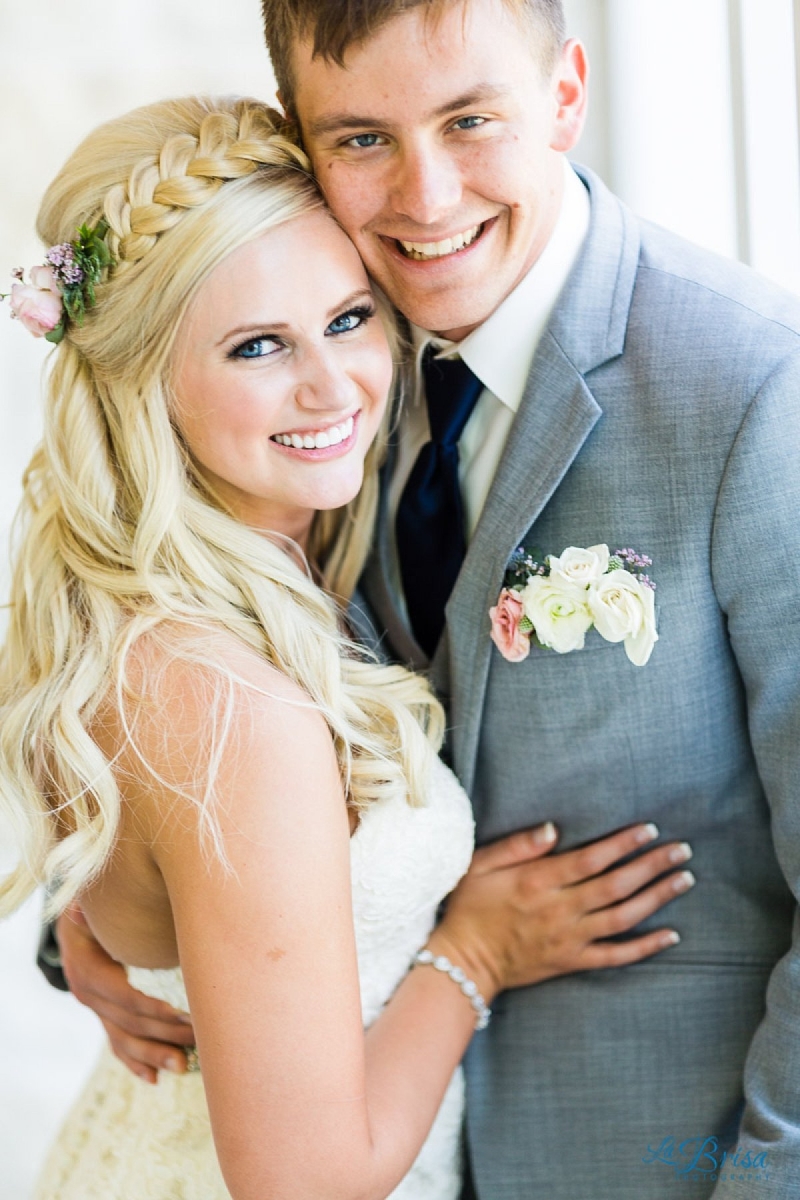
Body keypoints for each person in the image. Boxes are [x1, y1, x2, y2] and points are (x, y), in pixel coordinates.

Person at [56, 1, 800, 1196]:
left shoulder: (753, 391)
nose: (426, 195)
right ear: (303, 140)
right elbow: (203, 733)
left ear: (563, 94)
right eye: (360, 138)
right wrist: (114, 923)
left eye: (469, 121)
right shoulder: (326, 339)